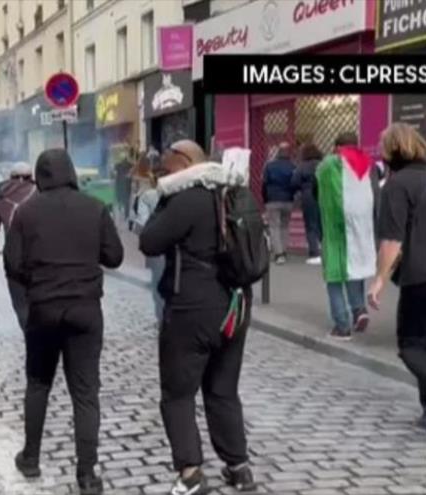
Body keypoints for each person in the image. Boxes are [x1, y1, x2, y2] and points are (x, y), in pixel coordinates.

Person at [140, 140, 256, 495]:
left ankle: (190, 474)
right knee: (223, 389)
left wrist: (164, 196)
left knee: (177, 392)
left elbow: (149, 240)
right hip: (236, 304)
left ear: (184, 163)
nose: (163, 171)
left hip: (192, 307)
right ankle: (238, 467)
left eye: (168, 164)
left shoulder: (185, 199)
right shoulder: (235, 193)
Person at [4, 149, 123, 495]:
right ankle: (87, 474)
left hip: (43, 310)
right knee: (85, 393)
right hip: (86, 310)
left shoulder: (26, 212)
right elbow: (114, 256)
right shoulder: (94, 208)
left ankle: (30, 458)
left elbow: (13, 264)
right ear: (71, 172)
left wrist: (37, 281)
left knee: (38, 384)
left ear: (39, 176)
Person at [368, 123, 426, 432]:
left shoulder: (397, 185)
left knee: (412, 345)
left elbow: (392, 240)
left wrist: (379, 279)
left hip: (420, 277)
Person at [316, 132, 375, 339]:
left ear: (337, 146)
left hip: (334, 227)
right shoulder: (365, 163)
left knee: (334, 276)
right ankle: (359, 310)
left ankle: (342, 326)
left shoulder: (328, 164)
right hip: (359, 227)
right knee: (354, 269)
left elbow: (319, 188)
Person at [0, 161, 37, 332]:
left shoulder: (2, 196)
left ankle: (29, 333)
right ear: (31, 177)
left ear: (10, 177)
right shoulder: (40, 192)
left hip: (14, 257)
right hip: (41, 255)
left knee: (21, 305)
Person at [132, 155, 165, 326]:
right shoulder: (180, 194)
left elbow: (141, 223)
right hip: (177, 248)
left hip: (156, 248)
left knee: (157, 283)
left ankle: (161, 316)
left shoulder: (147, 196)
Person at [262, 142, 297, 264]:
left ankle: (279, 253)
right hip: (288, 200)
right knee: (285, 226)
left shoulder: (269, 166)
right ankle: (284, 250)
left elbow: (264, 184)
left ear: (278, 152)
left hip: (272, 200)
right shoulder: (293, 166)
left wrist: (265, 199)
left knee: (274, 227)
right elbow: (295, 184)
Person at [292, 143, 324, 265]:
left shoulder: (302, 167)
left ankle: (314, 253)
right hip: (323, 194)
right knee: (323, 223)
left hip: (308, 196)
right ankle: (325, 249)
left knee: (311, 225)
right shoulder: (323, 165)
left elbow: (294, 182)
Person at [113, 147, 134, 223]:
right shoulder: (131, 165)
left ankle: (120, 208)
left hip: (119, 184)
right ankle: (126, 214)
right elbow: (132, 174)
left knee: (119, 197)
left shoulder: (117, 165)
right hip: (127, 184)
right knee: (127, 199)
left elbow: (114, 174)